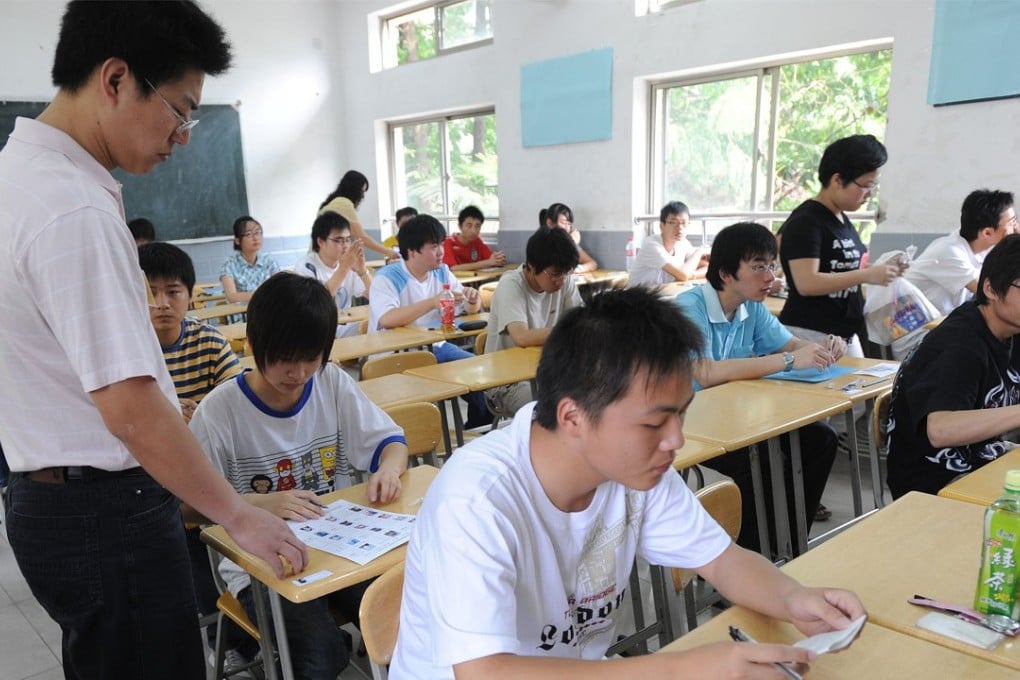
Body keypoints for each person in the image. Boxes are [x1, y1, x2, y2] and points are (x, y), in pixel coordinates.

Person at [0, 3, 306, 679]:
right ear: (115, 80)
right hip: (106, 514)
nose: (186, 135)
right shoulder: (71, 206)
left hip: (53, 499)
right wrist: (237, 515)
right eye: (181, 109)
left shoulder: (17, 177)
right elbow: (131, 407)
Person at [390, 287, 866, 678]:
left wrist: (793, 599)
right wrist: (683, 671)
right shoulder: (478, 499)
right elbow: (485, 672)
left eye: (681, 415)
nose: (676, 440)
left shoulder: (635, 472)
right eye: (654, 423)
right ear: (573, 416)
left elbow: (722, 561)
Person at [188, 272, 408, 680]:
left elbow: (391, 441)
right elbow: (188, 504)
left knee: (402, 616)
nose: (300, 372)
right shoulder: (220, 412)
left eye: (312, 358)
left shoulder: (331, 382)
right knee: (320, 655)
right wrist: (253, 504)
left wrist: (389, 471)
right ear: (252, 345)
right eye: (287, 358)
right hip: (262, 565)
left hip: (342, 546)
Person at [677, 222, 843, 551]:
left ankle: (792, 542)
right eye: (758, 267)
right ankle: (751, 557)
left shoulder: (751, 306)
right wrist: (792, 360)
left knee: (821, 440)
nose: (770, 276)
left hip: (734, 416)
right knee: (764, 462)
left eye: (771, 265)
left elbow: (790, 344)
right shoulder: (689, 307)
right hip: (690, 422)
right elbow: (706, 373)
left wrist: (823, 347)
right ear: (726, 273)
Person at [138, 241, 243, 655]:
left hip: (207, 464)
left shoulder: (208, 341)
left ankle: (239, 616)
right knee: (185, 532)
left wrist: (201, 413)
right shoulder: (128, 347)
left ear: (191, 295)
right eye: (151, 292)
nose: (162, 303)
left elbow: (236, 405)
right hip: (149, 475)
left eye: (174, 291)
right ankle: (222, 628)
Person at [886, 235, 1020, 498]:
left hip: (983, 458)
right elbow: (941, 429)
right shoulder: (958, 344)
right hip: (935, 481)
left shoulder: (1012, 330)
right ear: (991, 289)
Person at [778, 134, 907, 358]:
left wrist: (883, 270)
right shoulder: (807, 221)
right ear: (837, 180)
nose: (869, 195)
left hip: (843, 335)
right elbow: (806, 282)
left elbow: (841, 270)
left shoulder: (841, 219)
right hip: (808, 334)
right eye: (865, 186)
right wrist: (867, 275)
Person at [369, 214, 490, 428]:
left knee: (478, 373)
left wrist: (473, 299)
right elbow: (387, 319)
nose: (441, 252)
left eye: (441, 244)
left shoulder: (441, 272)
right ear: (413, 251)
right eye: (434, 247)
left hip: (436, 347)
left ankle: (478, 429)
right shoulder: (388, 277)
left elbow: (466, 307)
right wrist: (432, 302)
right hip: (395, 353)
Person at [483, 227, 582, 416]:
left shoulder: (564, 281)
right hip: (507, 381)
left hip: (547, 373)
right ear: (532, 265)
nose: (561, 281)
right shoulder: (511, 285)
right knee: (552, 410)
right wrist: (569, 331)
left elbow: (581, 322)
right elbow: (522, 337)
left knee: (596, 398)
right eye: (555, 274)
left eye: (566, 273)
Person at [905, 189, 1017, 317]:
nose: (1017, 228)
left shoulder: (980, 241)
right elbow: (994, 295)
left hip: (943, 324)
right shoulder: (949, 252)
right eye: (1012, 222)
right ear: (987, 233)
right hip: (914, 329)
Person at [295, 211, 372, 338]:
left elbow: (377, 295)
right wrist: (344, 267)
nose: (346, 246)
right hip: (314, 331)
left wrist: (362, 270)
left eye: (348, 240)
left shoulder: (348, 264)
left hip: (341, 327)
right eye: (339, 240)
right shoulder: (306, 266)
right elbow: (317, 303)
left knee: (375, 325)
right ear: (320, 241)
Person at [629, 201, 708, 285]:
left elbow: (706, 266)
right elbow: (683, 275)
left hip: (663, 292)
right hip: (641, 295)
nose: (680, 228)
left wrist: (691, 275)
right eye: (673, 223)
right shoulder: (651, 245)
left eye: (684, 223)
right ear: (661, 226)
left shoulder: (683, 243)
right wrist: (699, 252)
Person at [319, 170, 393, 259]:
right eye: (362, 191)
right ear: (354, 189)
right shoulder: (344, 204)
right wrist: (388, 252)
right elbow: (362, 237)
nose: (362, 197)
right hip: (324, 260)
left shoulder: (333, 202)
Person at [219, 214, 279, 304]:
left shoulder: (269, 261)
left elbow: (280, 287)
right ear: (238, 241)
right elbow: (232, 296)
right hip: (241, 315)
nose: (255, 238)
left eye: (258, 233)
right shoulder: (229, 264)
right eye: (249, 234)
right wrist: (264, 294)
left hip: (268, 311)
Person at [443, 205, 507, 271]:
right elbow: (453, 268)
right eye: (469, 226)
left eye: (477, 226)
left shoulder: (477, 241)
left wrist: (499, 259)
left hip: (476, 280)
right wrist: (488, 262)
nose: (473, 231)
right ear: (460, 226)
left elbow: (491, 258)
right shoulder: (448, 242)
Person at [540, 201, 598, 273]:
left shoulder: (570, 241)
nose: (567, 228)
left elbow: (592, 263)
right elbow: (554, 270)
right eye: (564, 223)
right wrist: (571, 244)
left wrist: (577, 269)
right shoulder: (540, 242)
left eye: (569, 224)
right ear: (549, 223)